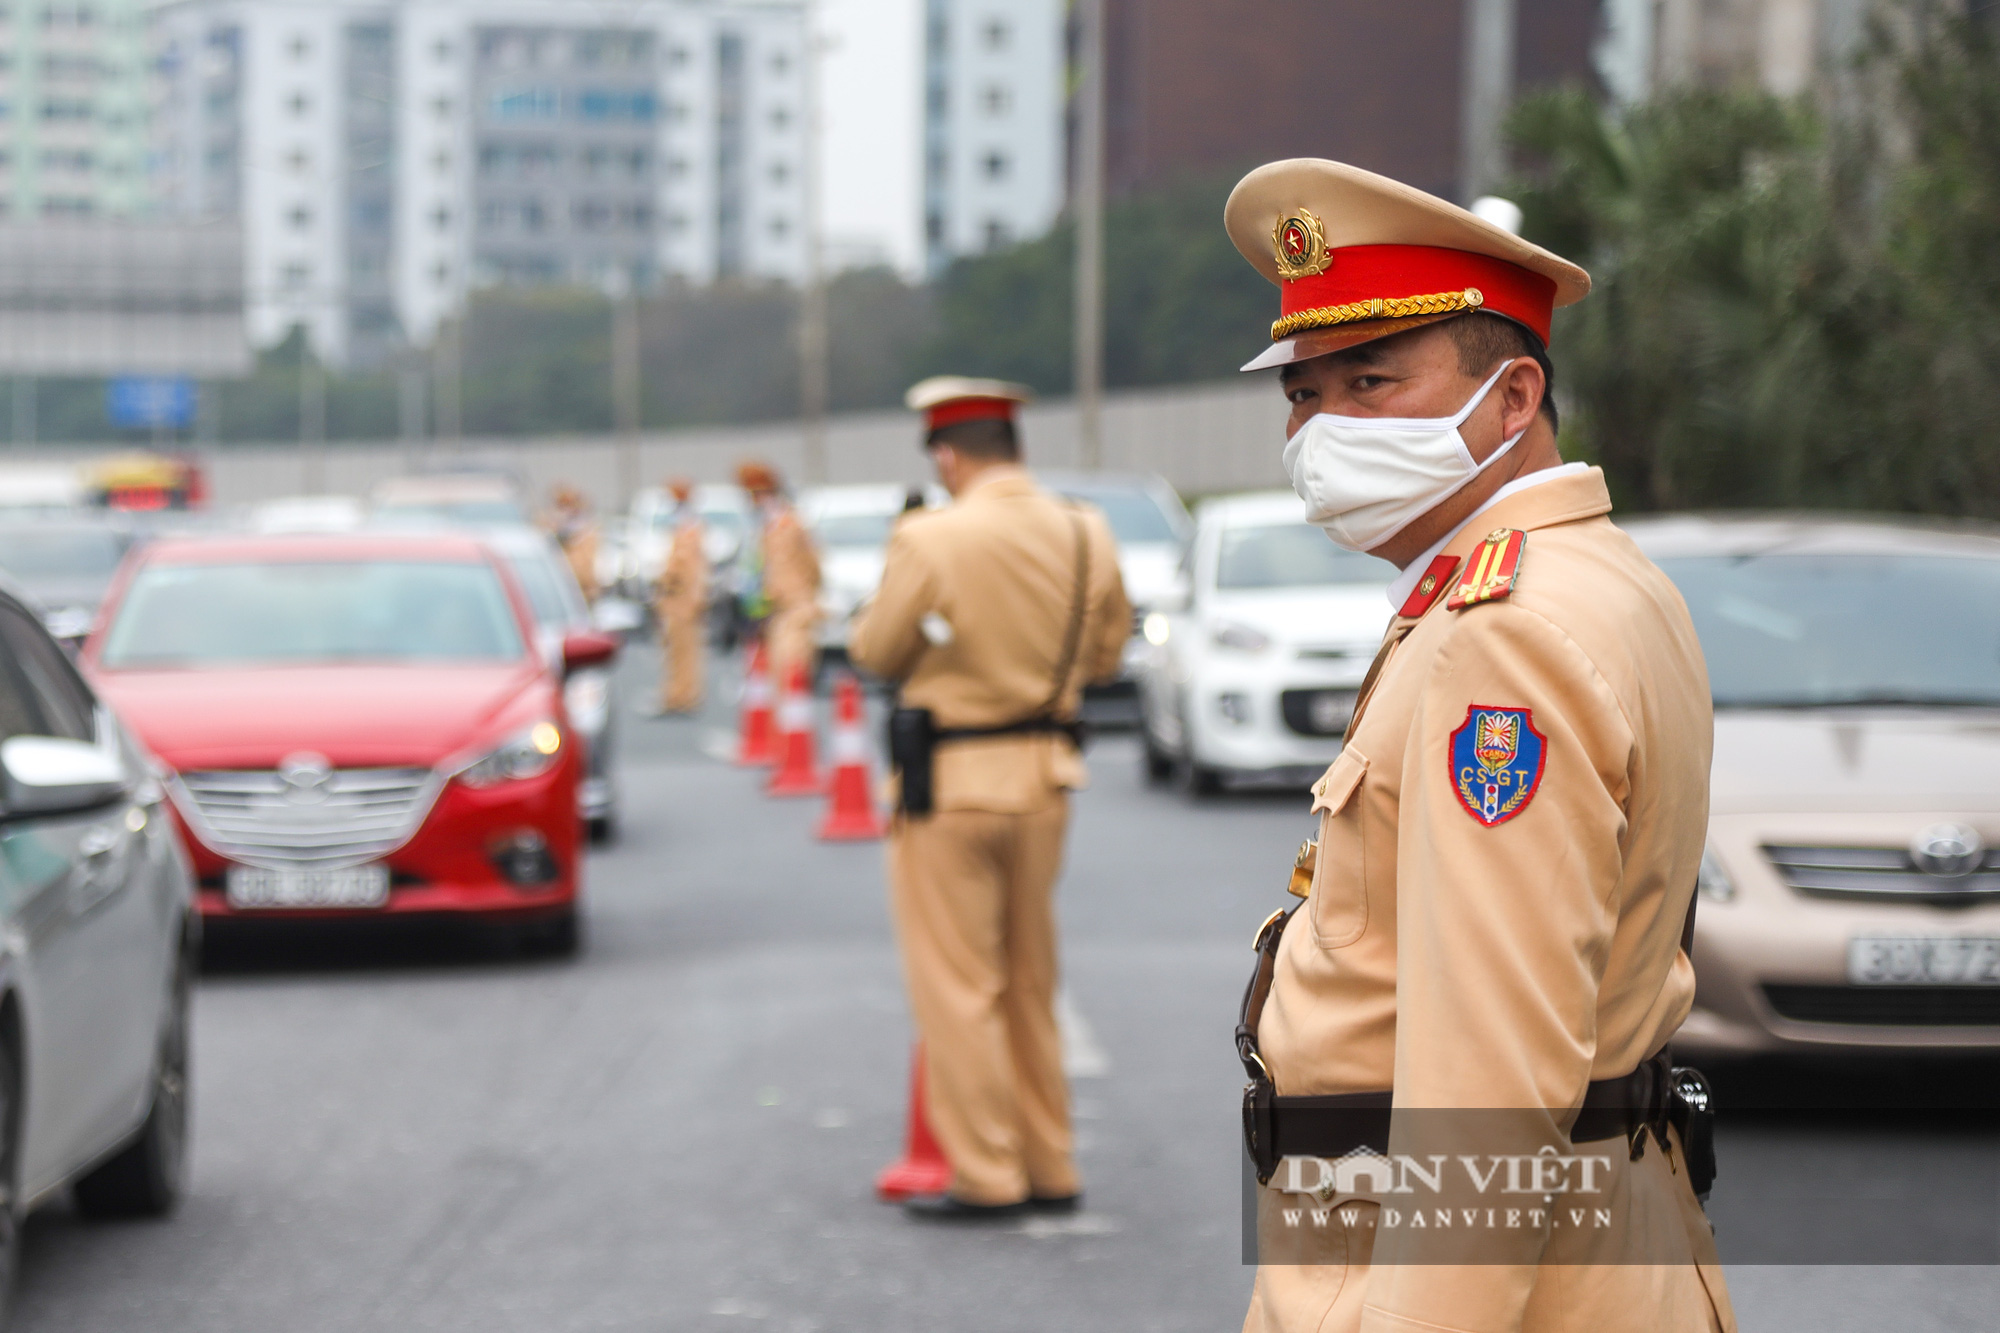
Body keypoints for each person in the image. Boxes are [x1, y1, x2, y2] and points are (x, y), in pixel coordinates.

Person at [1224, 160, 1734, 1331]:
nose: (1320, 430)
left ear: (1511, 399)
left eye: (1371, 381)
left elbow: (1490, 1083)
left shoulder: (1500, 633)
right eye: (1302, 396)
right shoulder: (1592, 576)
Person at [849, 377, 1131, 1221]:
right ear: (1014, 445)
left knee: (958, 986)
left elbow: (875, 647)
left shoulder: (930, 535)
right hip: (1046, 776)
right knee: (1028, 980)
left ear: (946, 453)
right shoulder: (1086, 530)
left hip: (951, 784)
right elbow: (1109, 654)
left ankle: (988, 1172)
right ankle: (1052, 1162)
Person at [735, 461, 821, 687]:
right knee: (773, 681)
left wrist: (806, 597)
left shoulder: (791, 524)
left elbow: (813, 565)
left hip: (795, 609)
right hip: (773, 611)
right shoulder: (765, 527)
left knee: (790, 675)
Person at [653, 477, 708, 715]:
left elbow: (685, 567)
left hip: (683, 602)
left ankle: (684, 695)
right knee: (675, 652)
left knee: (684, 652)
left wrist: (664, 577)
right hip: (676, 602)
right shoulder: (683, 530)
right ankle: (676, 694)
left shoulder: (689, 531)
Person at [545, 484, 601, 603]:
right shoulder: (547, 532)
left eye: (569, 505)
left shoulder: (587, 535)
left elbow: (586, 574)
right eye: (561, 506)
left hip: (582, 597)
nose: (566, 511)